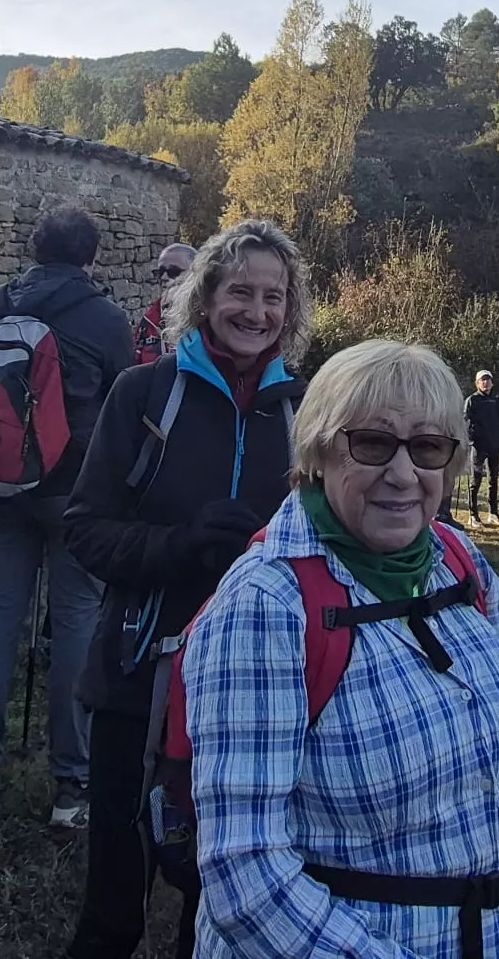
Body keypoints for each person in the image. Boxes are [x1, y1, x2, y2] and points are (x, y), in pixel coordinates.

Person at [181, 338, 499, 959]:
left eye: (428, 447)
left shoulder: (461, 568)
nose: (403, 474)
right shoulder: (268, 603)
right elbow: (245, 874)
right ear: (321, 451)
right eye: (372, 445)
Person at [62, 221, 313, 959]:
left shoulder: (309, 411)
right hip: (138, 672)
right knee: (116, 888)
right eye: (241, 291)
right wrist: (177, 545)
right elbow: (84, 528)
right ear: (205, 298)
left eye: (274, 297)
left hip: (259, 685)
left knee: (222, 890)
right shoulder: (144, 394)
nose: (257, 311)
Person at [0, 203, 134, 830]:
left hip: (0, 480)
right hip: (73, 488)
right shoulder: (107, 317)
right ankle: (70, 789)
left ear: (35, 248)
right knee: (77, 619)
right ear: (90, 255)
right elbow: (122, 401)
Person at [135, 242, 197, 365]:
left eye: (173, 271)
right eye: (160, 272)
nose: (164, 277)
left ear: (195, 275)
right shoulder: (148, 322)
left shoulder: (209, 320)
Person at [464, 369, 499, 521]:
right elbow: (466, 422)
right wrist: (472, 441)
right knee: (475, 480)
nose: (486, 382)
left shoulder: (498, 401)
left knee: (493, 480)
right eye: (482, 380)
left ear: (492, 382)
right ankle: (473, 514)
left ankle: (493, 512)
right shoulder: (472, 400)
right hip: (478, 447)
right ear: (477, 383)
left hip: (494, 446)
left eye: (488, 379)